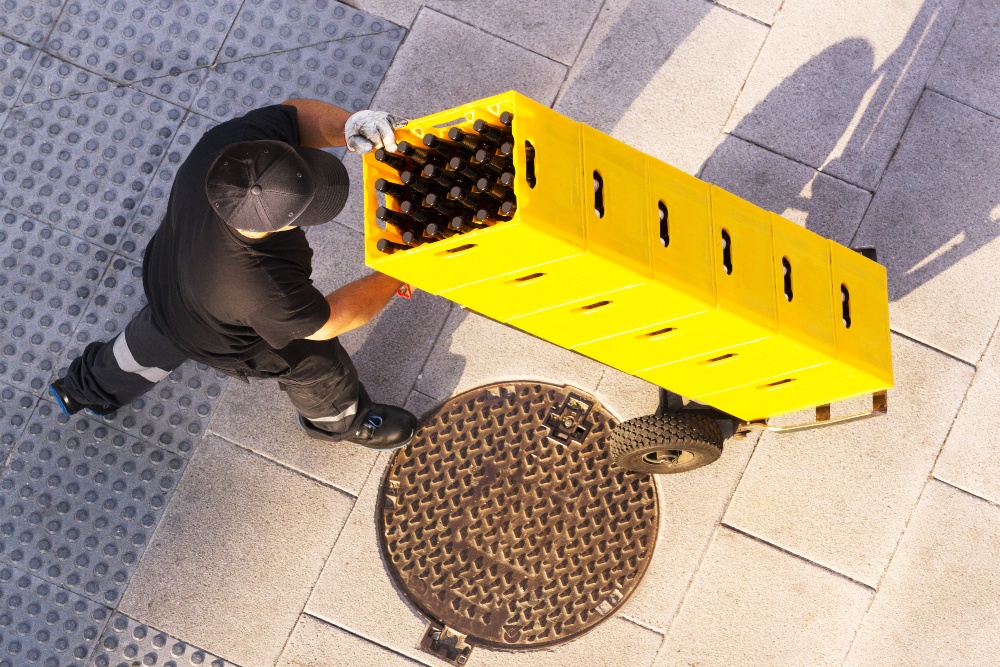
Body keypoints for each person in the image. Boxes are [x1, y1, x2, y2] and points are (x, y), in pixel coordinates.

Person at [48, 100, 419, 451]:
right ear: (278, 225)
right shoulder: (262, 287)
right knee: (315, 365)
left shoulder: (228, 149)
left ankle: (86, 389)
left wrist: (348, 125)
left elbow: (290, 115)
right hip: (225, 336)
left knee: (159, 330)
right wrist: (395, 273)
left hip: (168, 277)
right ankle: (339, 421)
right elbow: (327, 322)